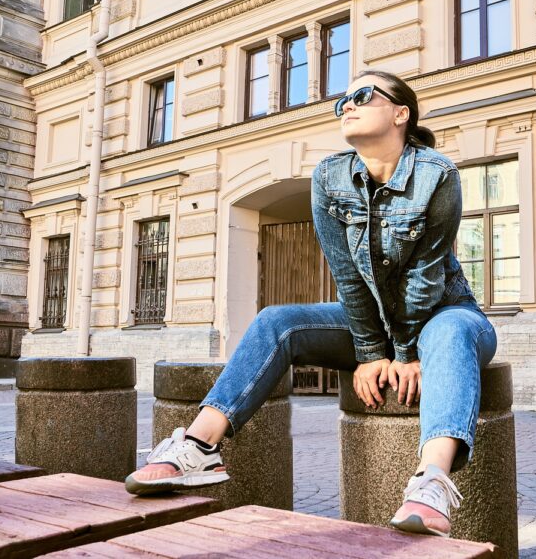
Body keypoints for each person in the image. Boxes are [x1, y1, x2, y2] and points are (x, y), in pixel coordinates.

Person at [124, 70, 497, 538]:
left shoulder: (437, 174)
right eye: (343, 100)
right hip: (373, 324)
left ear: (401, 113)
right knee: (277, 321)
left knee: (450, 332)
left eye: (362, 95)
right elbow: (347, 277)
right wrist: (371, 354)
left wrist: (404, 354)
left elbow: (427, 274)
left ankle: (432, 482)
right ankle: (199, 446)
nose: (348, 105)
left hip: (446, 313)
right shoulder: (329, 177)